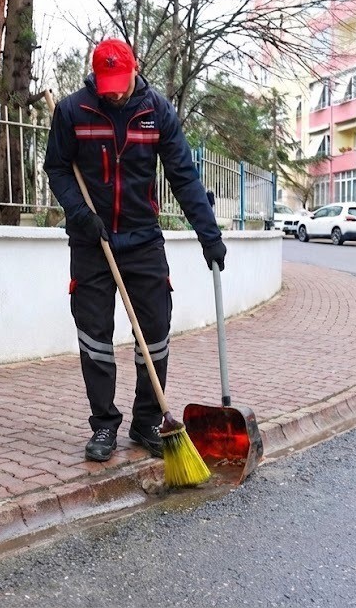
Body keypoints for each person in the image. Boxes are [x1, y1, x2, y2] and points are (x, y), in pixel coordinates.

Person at [43, 38, 226, 462]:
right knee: (94, 336)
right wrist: (77, 211)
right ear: (95, 76)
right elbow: (56, 167)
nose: (113, 91)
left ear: (134, 70)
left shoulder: (156, 111)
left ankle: (145, 422)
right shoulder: (73, 110)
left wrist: (209, 235)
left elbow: (183, 175)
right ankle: (104, 425)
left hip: (143, 239)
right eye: (105, 84)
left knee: (155, 334)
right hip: (92, 240)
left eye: (119, 83)